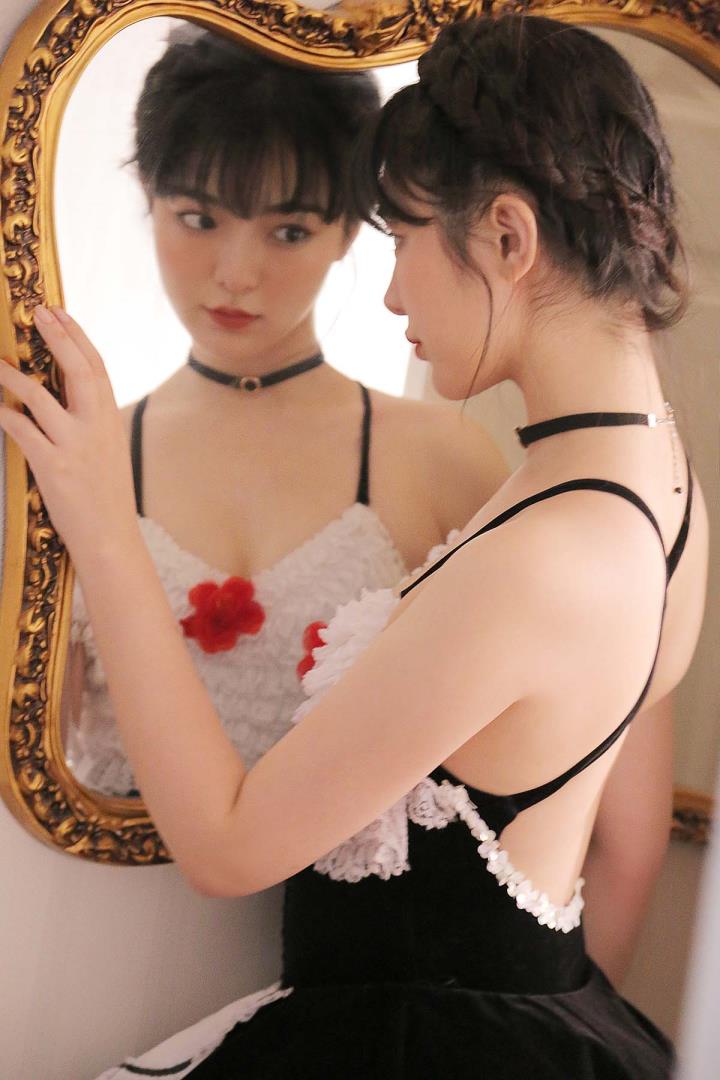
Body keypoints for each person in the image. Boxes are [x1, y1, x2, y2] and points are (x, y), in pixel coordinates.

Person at [0, 13, 707, 1078]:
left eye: (405, 238)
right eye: (196, 215)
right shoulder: (660, 486)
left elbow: (228, 845)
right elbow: (614, 842)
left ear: (508, 238)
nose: (390, 291)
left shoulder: (543, 550)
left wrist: (102, 520)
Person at [63, 26, 508, 798]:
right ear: (149, 200)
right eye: (199, 218)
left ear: (349, 230)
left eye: (290, 230)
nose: (237, 274)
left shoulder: (443, 460)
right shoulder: (80, 459)